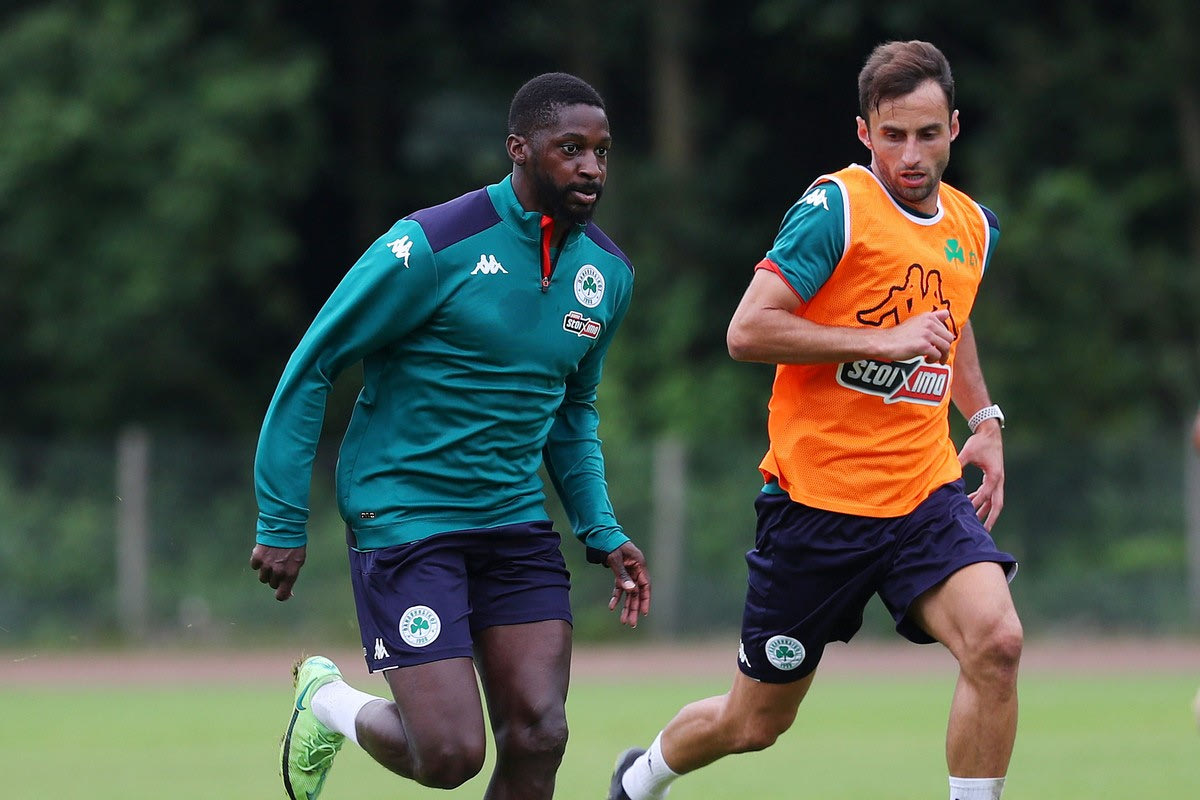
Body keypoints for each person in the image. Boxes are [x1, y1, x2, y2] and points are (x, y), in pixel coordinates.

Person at [608, 40, 1021, 800]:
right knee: (752, 723)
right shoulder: (836, 211)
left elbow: (953, 319)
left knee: (997, 643)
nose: (911, 154)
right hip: (817, 510)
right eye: (892, 135)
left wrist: (985, 419)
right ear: (864, 133)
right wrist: (880, 340)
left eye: (927, 134)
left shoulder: (973, 226)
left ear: (955, 128)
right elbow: (746, 331)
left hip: (923, 496)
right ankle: (639, 780)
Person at [250, 72, 651, 800]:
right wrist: (281, 519)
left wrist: (601, 526)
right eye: (571, 149)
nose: (592, 167)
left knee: (539, 735)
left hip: (513, 520)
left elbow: (572, 410)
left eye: (602, 151)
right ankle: (326, 702)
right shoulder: (433, 245)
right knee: (449, 755)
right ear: (519, 149)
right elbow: (315, 365)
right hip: (406, 517)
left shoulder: (608, 273)